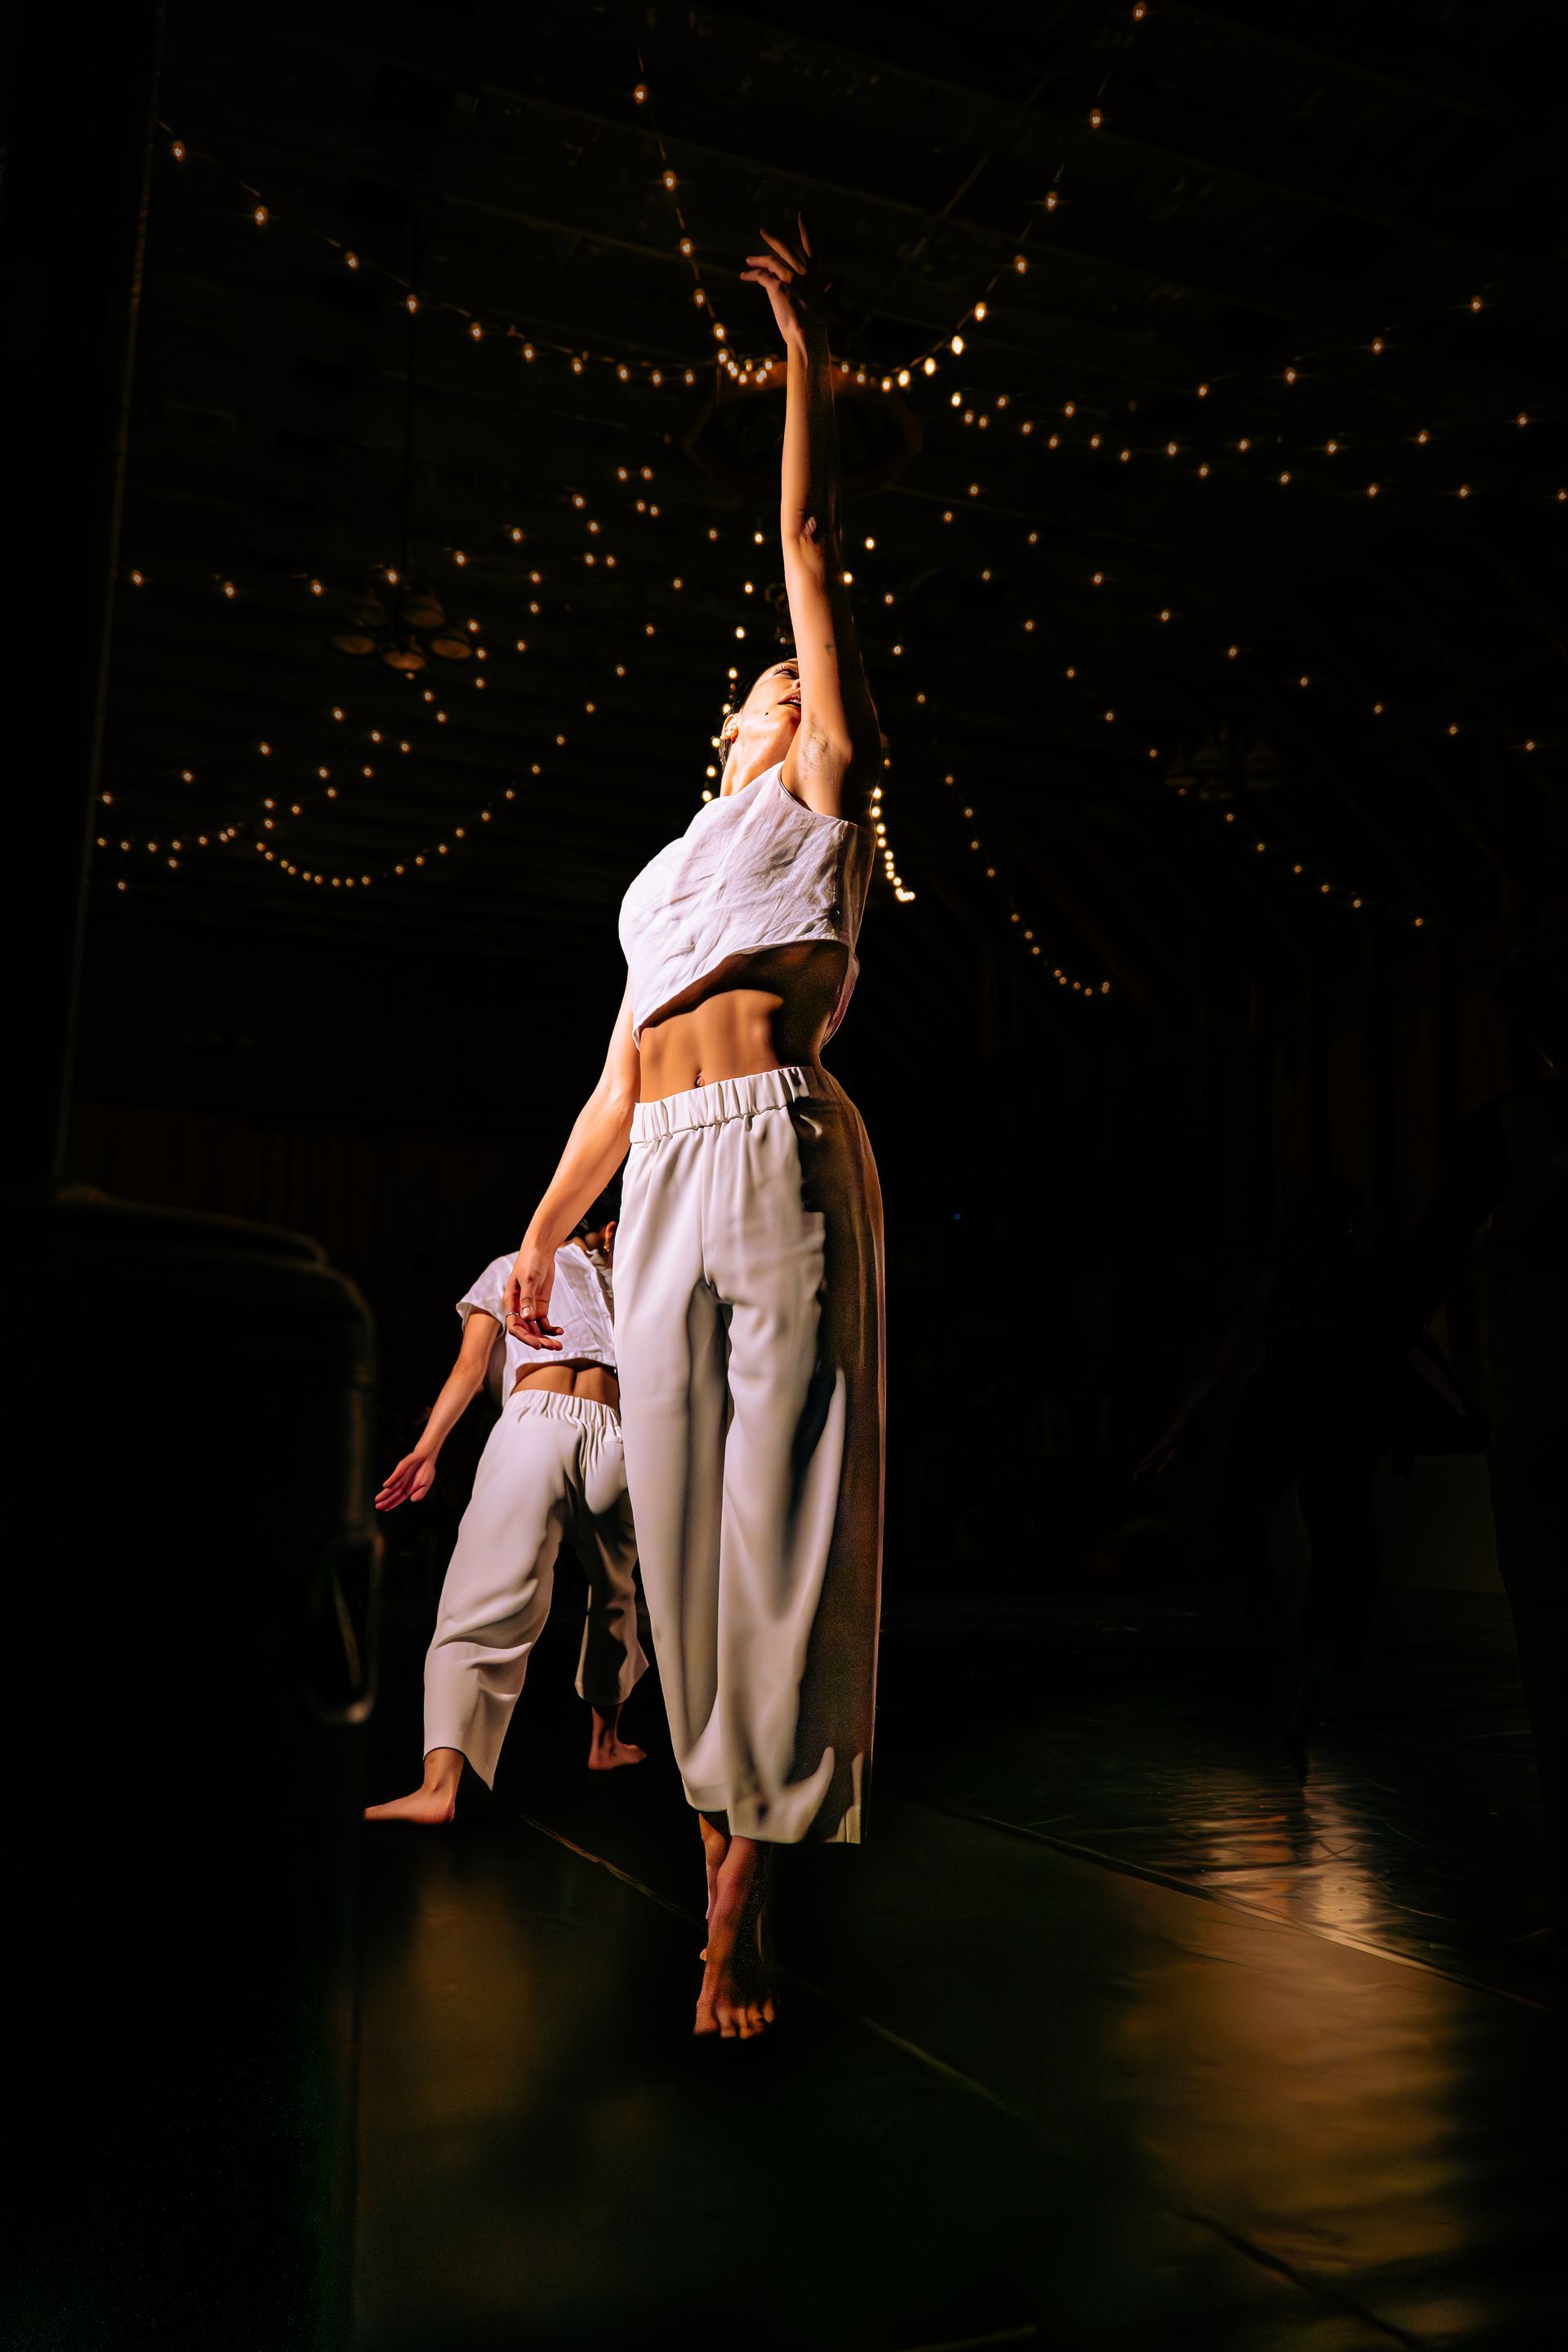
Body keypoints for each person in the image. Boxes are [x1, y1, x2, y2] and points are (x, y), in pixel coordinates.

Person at [505, 217, 884, 2039]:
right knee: (673, 1529)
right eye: (771, 688)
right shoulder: (669, 878)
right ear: (725, 728)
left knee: (785, 1501)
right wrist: (539, 1229)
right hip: (653, 1170)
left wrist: (803, 352)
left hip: (781, 1149)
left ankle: (743, 1884)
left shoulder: (826, 800)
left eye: (807, 685)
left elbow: (803, 542)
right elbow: (606, 1074)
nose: (793, 692)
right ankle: (720, 1813)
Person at [1387, 915, 1568, 1959]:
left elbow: (1416, 1280)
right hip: (1547, 1419)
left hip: (1550, 1421)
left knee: (1555, 1650)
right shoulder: (1509, 1133)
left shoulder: (1507, 1132)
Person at [365, 1196, 646, 1825]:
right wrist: (427, 1446)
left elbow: (470, 1368)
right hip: (595, 1431)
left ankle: (450, 1784)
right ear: (605, 1226)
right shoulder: (527, 1266)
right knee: (607, 1595)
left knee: (556, 1594)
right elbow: (470, 1368)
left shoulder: (615, 1279)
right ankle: (594, 1745)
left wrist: (428, 1449)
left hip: (564, 1430)